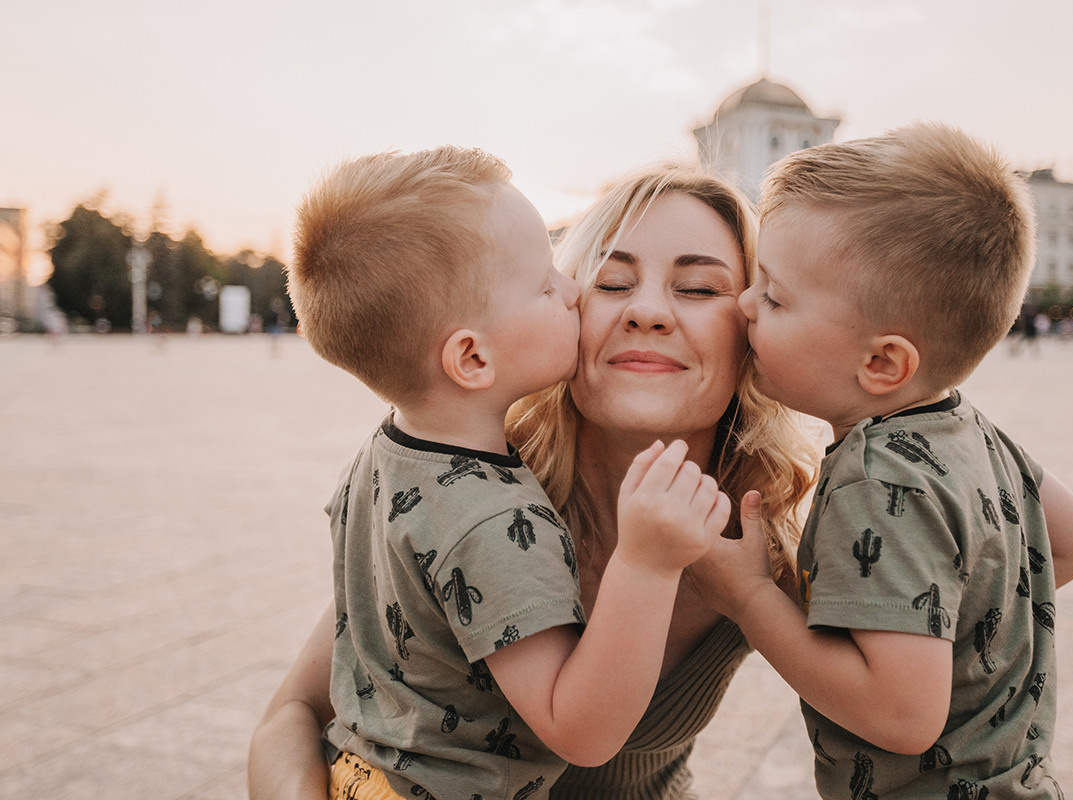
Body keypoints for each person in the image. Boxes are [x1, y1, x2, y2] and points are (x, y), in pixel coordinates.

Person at [249, 162, 822, 800]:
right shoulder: (474, 504)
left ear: (752, 331)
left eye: (696, 288)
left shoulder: (766, 545)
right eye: (610, 282)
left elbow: (899, 731)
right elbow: (291, 715)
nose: (648, 310)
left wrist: (752, 597)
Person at [688, 123, 1073, 799]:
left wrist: (749, 597)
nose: (744, 303)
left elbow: (902, 717)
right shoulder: (975, 433)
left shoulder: (876, 475)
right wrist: (970, 627)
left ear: (882, 362)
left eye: (775, 296)